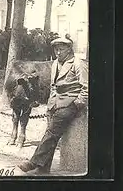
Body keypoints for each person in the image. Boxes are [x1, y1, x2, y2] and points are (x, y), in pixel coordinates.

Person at [17, 35, 88, 174]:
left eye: (61, 49)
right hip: (55, 103)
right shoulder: (55, 63)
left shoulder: (78, 64)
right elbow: (53, 86)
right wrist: (51, 105)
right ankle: (43, 169)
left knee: (51, 132)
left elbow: (86, 88)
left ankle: (33, 162)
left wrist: (77, 103)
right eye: (56, 50)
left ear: (69, 49)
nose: (58, 53)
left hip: (70, 102)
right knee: (51, 133)